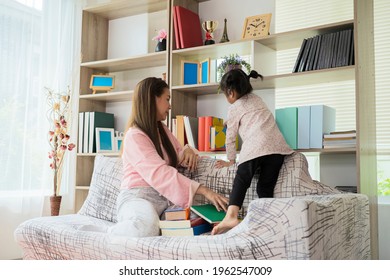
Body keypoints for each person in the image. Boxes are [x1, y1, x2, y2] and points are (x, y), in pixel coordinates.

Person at [110, 77, 228, 237]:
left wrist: (188, 150)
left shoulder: (162, 130)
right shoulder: (134, 136)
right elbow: (160, 173)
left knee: (200, 223)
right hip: (137, 199)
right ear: (153, 99)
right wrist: (205, 191)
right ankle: (108, 236)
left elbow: (178, 157)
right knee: (146, 226)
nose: (170, 105)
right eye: (167, 99)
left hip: (164, 201)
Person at [212, 69, 294, 235]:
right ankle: (267, 220)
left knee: (242, 179)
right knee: (265, 187)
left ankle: (231, 215)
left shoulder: (234, 108)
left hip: (256, 148)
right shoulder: (258, 99)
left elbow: (230, 136)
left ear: (231, 92)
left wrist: (231, 160)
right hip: (276, 148)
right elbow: (253, 116)